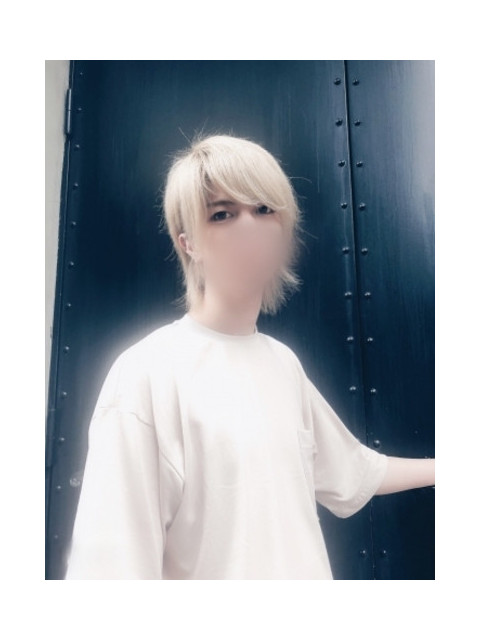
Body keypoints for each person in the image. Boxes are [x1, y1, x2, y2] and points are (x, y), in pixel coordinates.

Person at [64, 133, 435, 580]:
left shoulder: (283, 363)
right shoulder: (145, 373)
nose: (249, 227)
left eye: (263, 209)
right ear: (188, 243)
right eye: (222, 214)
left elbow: (353, 471)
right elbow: (109, 573)